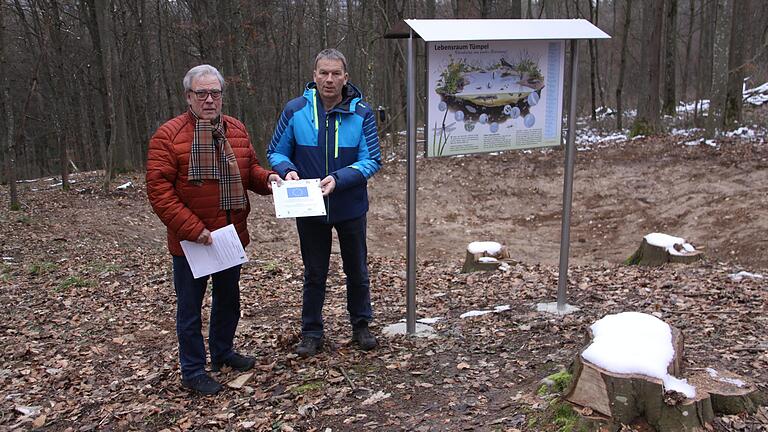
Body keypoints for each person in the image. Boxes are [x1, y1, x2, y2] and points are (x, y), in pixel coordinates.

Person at [146, 64, 279, 395]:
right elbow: (159, 193)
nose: (209, 99)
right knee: (190, 310)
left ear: (222, 95)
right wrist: (193, 229)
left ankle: (222, 352)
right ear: (189, 96)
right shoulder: (168, 136)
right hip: (192, 242)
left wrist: (269, 180)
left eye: (215, 93)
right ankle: (192, 371)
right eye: (201, 93)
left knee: (228, 301)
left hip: (229, 237)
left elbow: (249, 171)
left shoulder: (235, 129)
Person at [268, 49, 382, 357]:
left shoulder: (362, 113)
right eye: (323, 73)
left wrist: (339, 179)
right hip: (308, 207)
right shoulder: (295, 110)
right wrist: (286, 170)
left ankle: (361, 325)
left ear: (346, 77)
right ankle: (312, 332)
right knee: (314, 272)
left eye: (335, 74)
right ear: (314, 75)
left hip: (350, 206)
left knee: (356, 269)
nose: (329, 79)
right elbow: (276, 152)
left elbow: (372, 159)